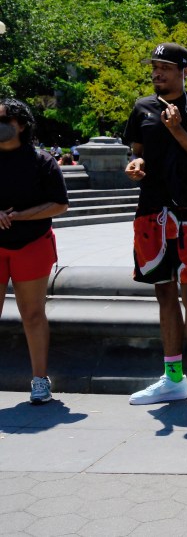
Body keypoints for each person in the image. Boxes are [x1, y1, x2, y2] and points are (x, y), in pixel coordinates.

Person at [123, 42, 187, 410]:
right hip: (150, 210)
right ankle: (173, 379)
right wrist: (135, 164)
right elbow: (136, 151)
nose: (157, 73)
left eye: (165, 67)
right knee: (163, 294)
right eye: (154, 66)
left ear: (185, 71)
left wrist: (180, 132)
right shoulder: (142, 108)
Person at [0, 99, 69, 404]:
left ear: (21, 125)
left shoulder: (42, 161)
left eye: (3, 119)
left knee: (32, 314)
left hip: (32, 244)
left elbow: (59, 204)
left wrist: (18, 216)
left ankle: (40, 380)